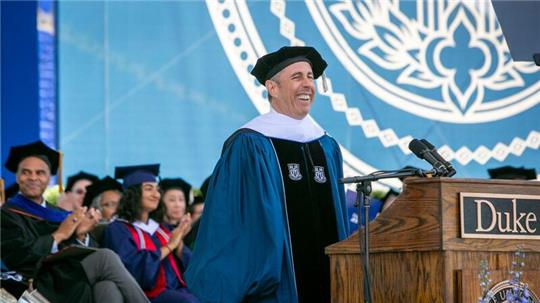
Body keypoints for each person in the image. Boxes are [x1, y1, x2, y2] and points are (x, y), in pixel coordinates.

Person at [185, 46, 349, 303]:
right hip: (277, 286)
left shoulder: (326, 145)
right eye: (297, 77)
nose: (307, 84)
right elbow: (236, 223)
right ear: (272, 88)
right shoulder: (250, 144)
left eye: (310, 76)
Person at [1, 140, 149, 303]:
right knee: (106, 257)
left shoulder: (59, 213)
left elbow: (89, 250)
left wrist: (81, 234)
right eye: (26, 172)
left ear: (49, 177)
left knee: (106, 287)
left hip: (70, 277)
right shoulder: (7, 213)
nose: (33, 178)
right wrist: (58, 235)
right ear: (17, 176)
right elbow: (16, 256)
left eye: (40, 172)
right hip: (40, 281)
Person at [102, 165, 199, 303]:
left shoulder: (160, 229)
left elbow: (188, 263)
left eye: (157, 189)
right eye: (148, 188)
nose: (156, 194)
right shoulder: (118, 229)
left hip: (177, 290)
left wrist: (179, 243)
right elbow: (133, 269)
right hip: (147, 296)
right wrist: (170, 245)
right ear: (133, 193)